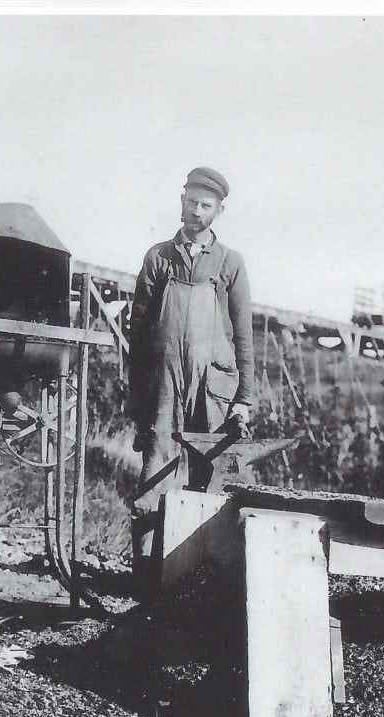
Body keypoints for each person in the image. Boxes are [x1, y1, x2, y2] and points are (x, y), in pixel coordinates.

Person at [128, 167, 254, 515]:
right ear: (182, 201)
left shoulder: (230, 263)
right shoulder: (158, 258)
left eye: (206, 206)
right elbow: (137, 333)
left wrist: (244, 400)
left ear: (219, 212)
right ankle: (149, 567)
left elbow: (243, 335)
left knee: (212, 483)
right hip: (164, 386)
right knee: (155, 478)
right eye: (193, 202)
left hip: (214, 389)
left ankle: (204, 565)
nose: (198, 211)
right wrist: (136, 395)